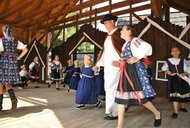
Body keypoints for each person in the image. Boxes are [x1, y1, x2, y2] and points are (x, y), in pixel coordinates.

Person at [113, 26, 161, 128]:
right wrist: (119, 63)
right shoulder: (125, 44)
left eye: (122, 30)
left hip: (135, 71)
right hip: (126, 72)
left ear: (129, 31)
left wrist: (138, 57)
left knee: (141, 98)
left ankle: (157, 113)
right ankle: (120, 125)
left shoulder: (135, 40)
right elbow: (126, 59)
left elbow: (148, 48)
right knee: (121, 96)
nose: (120, 31)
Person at [93, 14, 125, 120]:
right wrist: (97, 65)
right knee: (108, 88)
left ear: (112, 21)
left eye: (106, 22)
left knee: (111, 89)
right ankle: (117, 109)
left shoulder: (120, 33)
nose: (105, 25)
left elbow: (127, 50)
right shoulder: (108, 36)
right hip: (108, 68)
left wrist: (122, 62)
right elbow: (105, 54)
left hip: (116, 68)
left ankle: (113, 112)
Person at [0, 25, 28, 111]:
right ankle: (13, 100)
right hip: (12, 63)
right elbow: (25, 49)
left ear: (4, 32)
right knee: (7, 82)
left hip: (3, 62)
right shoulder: (16, 41)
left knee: (1, 82)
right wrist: (18, 57)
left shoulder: (1, 41)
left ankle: (0, 105)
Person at [162, 47, 190, 119]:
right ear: (171, 53)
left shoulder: (183, 60)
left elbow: (189, 67)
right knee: (175, 95)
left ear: (179, 52)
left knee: (183, 94)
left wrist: (186, 72)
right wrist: (167, 71)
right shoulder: (168, 60)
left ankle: (182, 107)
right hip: (173, 79)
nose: (175, 52)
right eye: (173, 51)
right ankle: (175, 111)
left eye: (176, 50)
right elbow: (164, 68)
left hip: (182, 79)